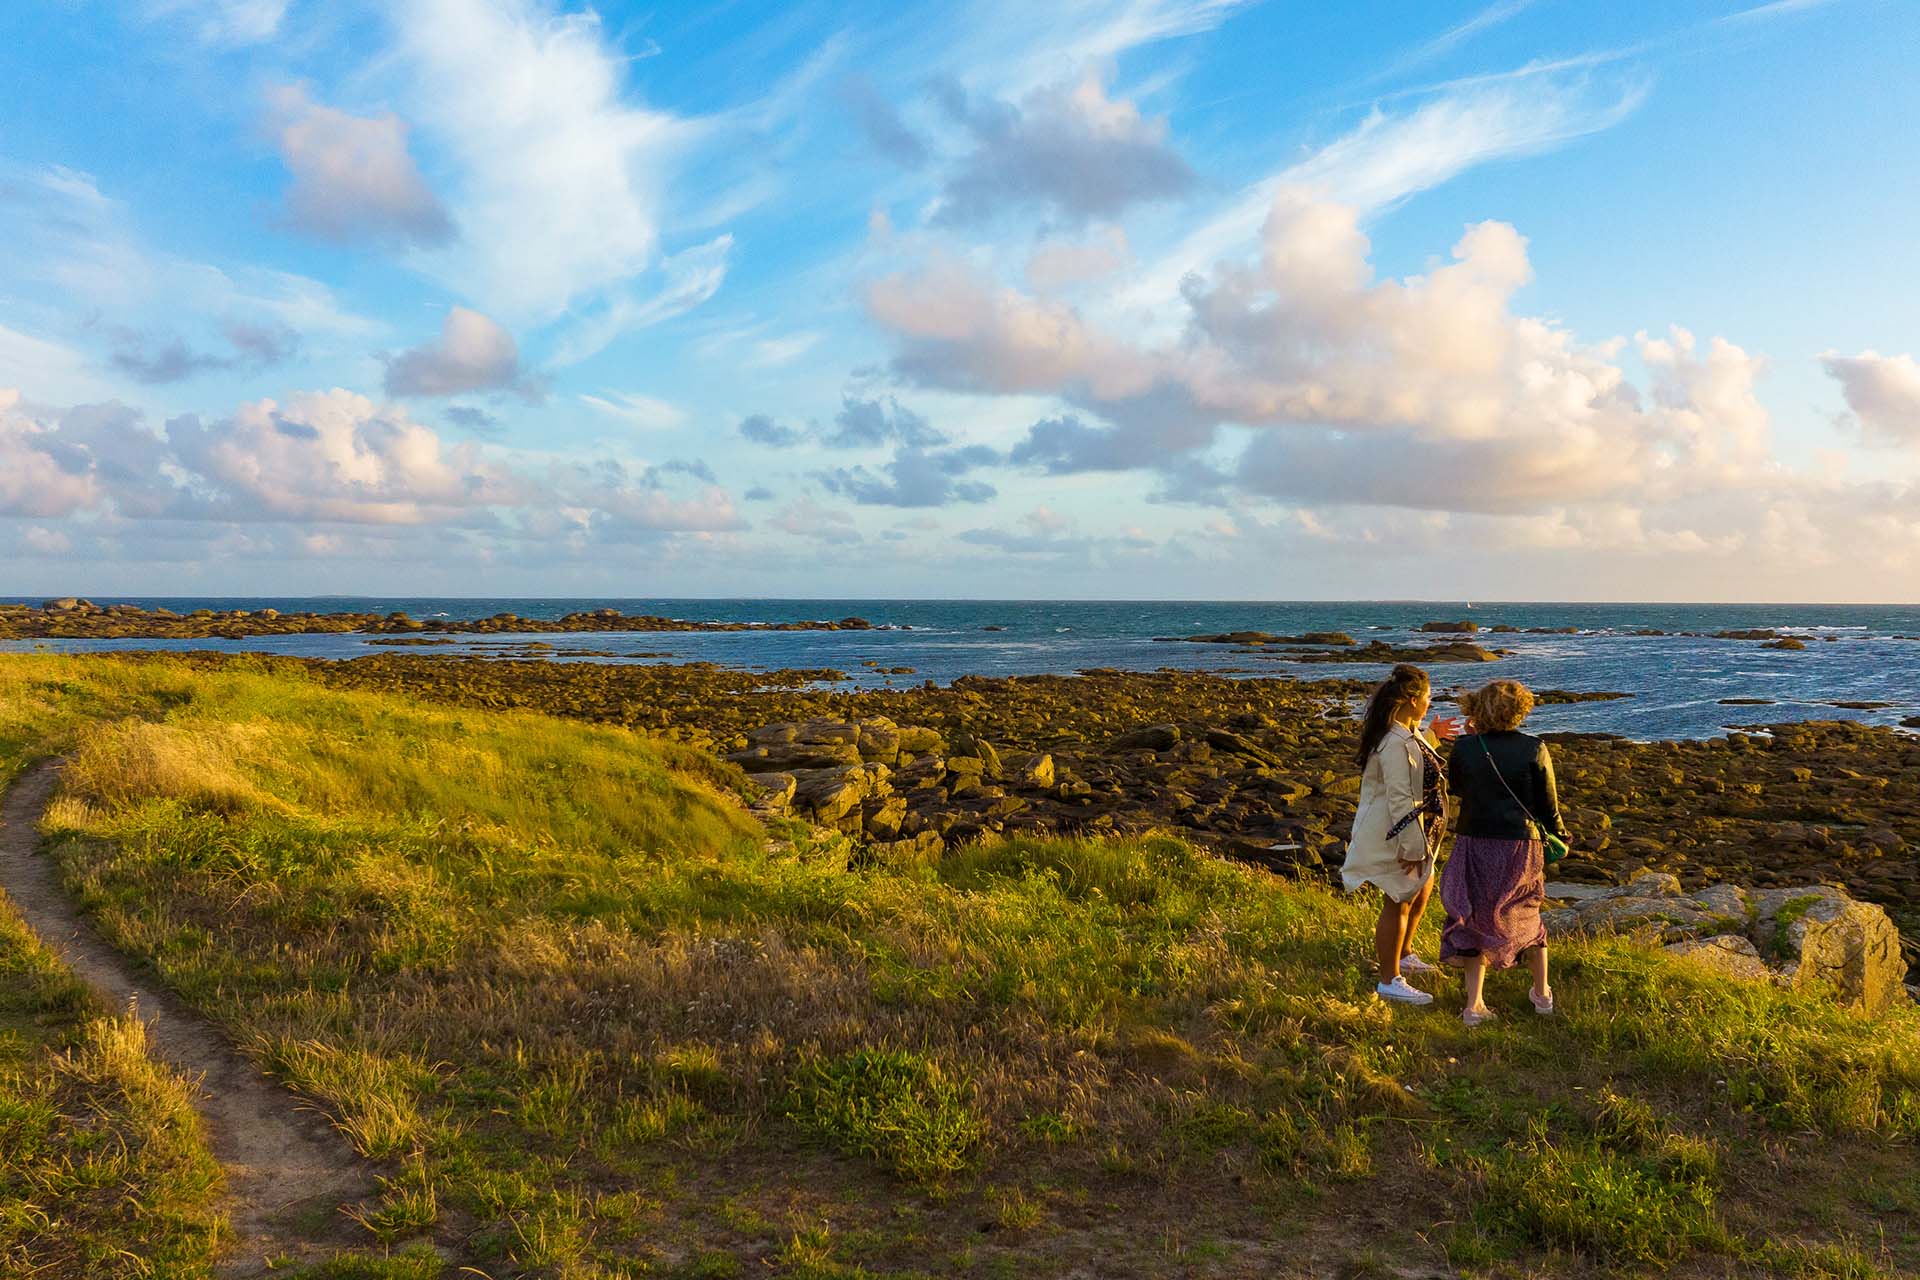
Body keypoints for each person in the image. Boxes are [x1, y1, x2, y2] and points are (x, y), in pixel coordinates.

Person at [1439, 679, 1570, 1026]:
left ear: (1478, 708)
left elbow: (1456, 787)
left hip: (1475, 839)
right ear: (1521, 711)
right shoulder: (1534, 748)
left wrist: (1470, 737)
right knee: (1527, 910)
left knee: (1473, 915)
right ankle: (1542, 994)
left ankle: (1474, 1005)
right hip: (1520, 843)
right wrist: (1559, 836)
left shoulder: (1466, 748)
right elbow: (1547, 803)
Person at [1341, 665, 1463, 1005]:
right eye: (1427, 697)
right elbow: (1399, 798)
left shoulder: (1406, 730)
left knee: (1421, 891)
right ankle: (1389, 979)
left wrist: (1433, 734)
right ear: (1412, 700)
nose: (1429, 701)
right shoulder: (1394, 742)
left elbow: (1417, 756)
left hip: (1421, 830)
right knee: (1398, 900)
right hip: (1398, 835)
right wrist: (1411, 847)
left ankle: (1405, 953)